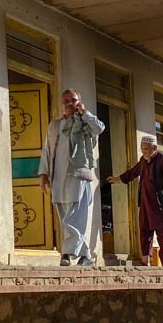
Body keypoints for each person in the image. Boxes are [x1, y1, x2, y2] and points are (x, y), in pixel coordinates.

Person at [38, 89, 105, 266]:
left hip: (78, 174)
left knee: (74, 216)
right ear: (62, 104)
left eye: (73, 100)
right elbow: (46, 150)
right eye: (66, 101)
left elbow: (100, 128)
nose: (69, 103)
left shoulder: (86, 123)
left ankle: (66, 254)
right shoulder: (55, 125)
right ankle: (85, 256)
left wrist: (85, 113)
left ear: (79, 101)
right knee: (64, 215)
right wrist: (43, 174)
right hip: (58, 176)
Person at [107, 135, 163, 266]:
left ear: (154, 148)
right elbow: (133, 173)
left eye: (146, 149)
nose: (143, 151)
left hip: (160, 205)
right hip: (145, 203)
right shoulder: (143, 161)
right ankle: (146, 259)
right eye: (142, 149)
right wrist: (118, 179)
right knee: (145, 231)